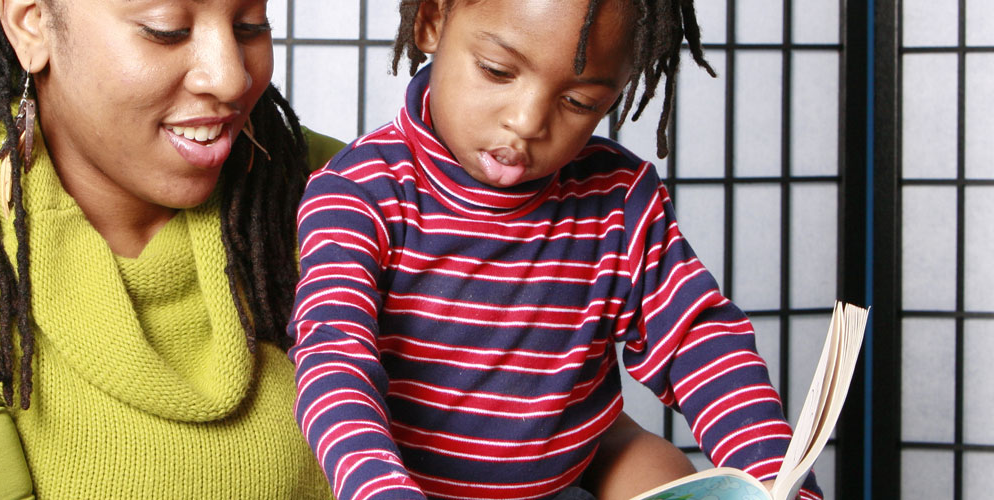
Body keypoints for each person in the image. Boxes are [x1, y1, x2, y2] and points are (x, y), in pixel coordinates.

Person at [0, 0, 690, 498]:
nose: (230, 73)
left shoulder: (343, 197)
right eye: (167, 27)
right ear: (32, 19)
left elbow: (537, 419)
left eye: (250, 22)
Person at [288, 0, 824, 499]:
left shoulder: (618, 197)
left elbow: (700, 344)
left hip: (566, 472)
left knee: (658, 466)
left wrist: (781, 478)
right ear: (432, 21)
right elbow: (336, 362)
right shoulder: (360, 191)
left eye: (578, 101)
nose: (528, 122)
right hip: (411, 482)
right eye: (497, 71)